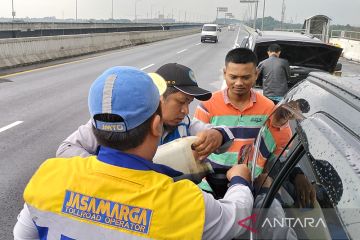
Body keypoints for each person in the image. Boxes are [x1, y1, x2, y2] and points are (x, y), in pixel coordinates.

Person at [14, 66, 254, 239]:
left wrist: (101, 177)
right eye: (180, 102)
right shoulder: (183, 203)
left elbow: (24, 234)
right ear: (156, 124)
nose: (184, 110)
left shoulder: (48, 177)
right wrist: (241, 180)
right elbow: (237, 218)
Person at [194, 48, 314, 206]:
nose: (238, 83)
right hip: (210, 184)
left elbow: (280, 150)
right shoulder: (207, 105)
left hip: (250, 184)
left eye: (245, 77)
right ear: (224, 74)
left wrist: (296, 174)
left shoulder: (268, 108)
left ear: (256, 74)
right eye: (233, 77)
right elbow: (195, 150)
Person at [56, 63, 233, 161]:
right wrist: (104, 168)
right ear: (159, 96)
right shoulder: (121, 122)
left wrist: (217, 135)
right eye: (181, 102)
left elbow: (226, 136)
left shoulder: (183, 124)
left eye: (189, 103)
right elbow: (66, 149)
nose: (186, 110)